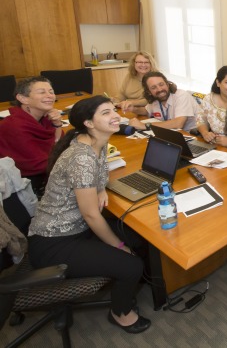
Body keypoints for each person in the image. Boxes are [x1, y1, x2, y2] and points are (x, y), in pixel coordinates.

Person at [28, 96, 151, 334]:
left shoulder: (95, 142)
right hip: (53, 242)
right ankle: (121, 313)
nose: (114, 115)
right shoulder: (82, 158)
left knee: (138, 237)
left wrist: (100, 187)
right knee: (131, 263)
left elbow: (97, 175)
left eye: (112, 110)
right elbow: (92, 216)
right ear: (89, 123)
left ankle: (127, 286)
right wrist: (118, 247)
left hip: (76, 228)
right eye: (105, 113)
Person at [0, 77, 63, 195]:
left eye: (51, 91)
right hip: (27, 186)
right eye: (42, 92)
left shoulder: (44, 118)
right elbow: (38, 165)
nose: (50, 95)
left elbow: (58, 143)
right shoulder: (14, 126)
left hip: (46, 174)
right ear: (23, 98)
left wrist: (57, 124)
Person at [128, 71, 197, 132]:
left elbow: (178, 123)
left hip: (192, 136)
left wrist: (145, 125)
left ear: (167, 84)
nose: (159, 89)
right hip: (171, 134)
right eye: (153, 87)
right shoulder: (156, 98)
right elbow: (146, 111)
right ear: (149, 92)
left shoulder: (181, 95)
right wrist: (133, 109)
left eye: (161, 84)